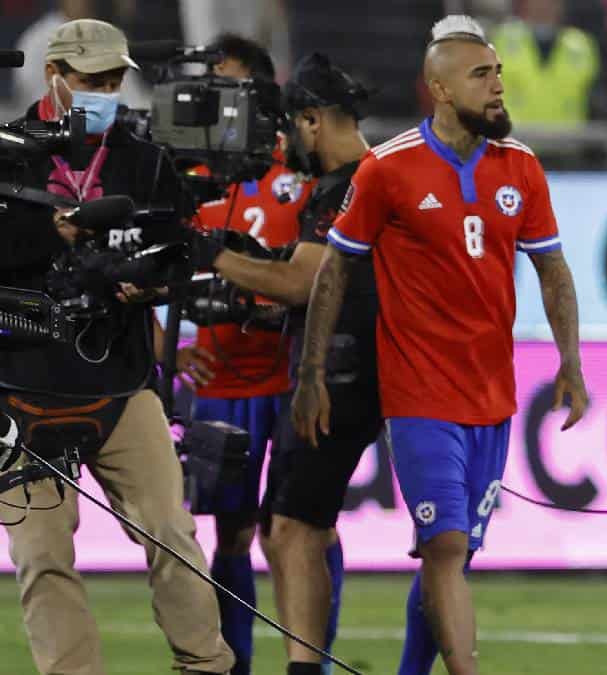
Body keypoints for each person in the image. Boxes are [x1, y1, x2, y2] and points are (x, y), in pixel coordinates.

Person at [292, 15, 589, 675]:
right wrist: (311, 373)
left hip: (494, 396)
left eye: (499, 73)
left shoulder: (521, 166)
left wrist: (570, 361)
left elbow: (553, 269)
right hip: (418, 394)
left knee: (450, 556)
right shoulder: (389, 168)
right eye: (483, 75)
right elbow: (334, 270)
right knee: (446, 545)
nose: (498, 85)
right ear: (441, 89)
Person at [0, 19, 234, 675]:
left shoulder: (144, 157)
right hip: (22, 387)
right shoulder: (8, 152)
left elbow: (176, 246)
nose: (105, 92)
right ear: (53, 76)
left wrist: (151, 283)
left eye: (113, 80)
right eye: (91, 79)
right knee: (43, 554)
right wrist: (56, 235)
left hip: (122, 379)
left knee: (172, 530)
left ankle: (207, 665)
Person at [187, 52, 377, 675]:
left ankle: (305, 664)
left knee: (295, 528)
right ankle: (266, 664)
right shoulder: (363, 176)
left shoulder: (337, 182)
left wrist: (213, 256)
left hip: (328, 376)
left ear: (308, 118)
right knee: (273, 528)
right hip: (300, 372)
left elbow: (302, 281)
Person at [171, 32, 308, 675]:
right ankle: (237, 666)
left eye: (228, 87)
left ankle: (310, 662)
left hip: (294, 377)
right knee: (233, 532)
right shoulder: (188, 177)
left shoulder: (301, 170)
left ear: (260, 94)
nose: (215, 101)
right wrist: (167, 352)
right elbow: (144, 269)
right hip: (221, 379)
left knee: (301, 528)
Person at [491, 0, 600, 125]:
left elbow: (596, 98)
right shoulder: (502, 39)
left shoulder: (582, 45)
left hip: (569, 134)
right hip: (514, 133)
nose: (544, 5)